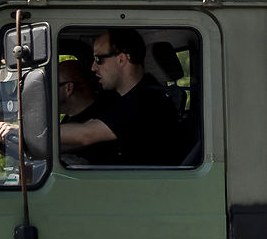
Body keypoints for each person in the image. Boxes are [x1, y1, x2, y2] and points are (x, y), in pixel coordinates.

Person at [61, 28, 189, 165]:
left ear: (121, 60)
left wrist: (40, 133)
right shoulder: (123, 98)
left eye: (98, 59)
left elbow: (86, 135)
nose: (93, 67)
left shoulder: (147, 101)